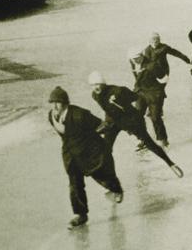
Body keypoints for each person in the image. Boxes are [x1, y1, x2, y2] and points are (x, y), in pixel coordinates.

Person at [48, 86, 124, 229]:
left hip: (88, 153)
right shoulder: (51, 116)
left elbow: (102, 124)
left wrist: (92, 139)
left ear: (65, 103)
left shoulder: (79, 114)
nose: (54, 106)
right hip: (70, 155)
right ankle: (80, 215)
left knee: (100, 176)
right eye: (52, 102)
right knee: (75, 185)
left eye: (57, 102)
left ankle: (116, 188)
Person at [88, 71, 184, 178]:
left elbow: (137, 97)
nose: (96, 87)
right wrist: (106, 122)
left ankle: (171, 164)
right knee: (106, 147)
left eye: (97, 84)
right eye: (93, 85)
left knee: (149, 143)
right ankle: (109, 177)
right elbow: (106, 108)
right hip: (113, 122)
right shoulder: (95, 95)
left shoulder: (118, 91)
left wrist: (134, 111)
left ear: (103, 84)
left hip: (131, 120)